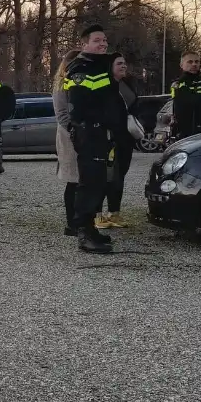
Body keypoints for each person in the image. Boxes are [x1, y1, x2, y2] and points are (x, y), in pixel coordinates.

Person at [63, 24, 124, 253]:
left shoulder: (100, 67)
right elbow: (78, 108)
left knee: (99, 183)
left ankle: (91, 229)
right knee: (89, 184)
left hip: (102, 133)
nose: (103, 44)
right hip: (90, 133)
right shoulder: (80, 69)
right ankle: (84, 234)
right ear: (85, 44)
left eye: (104, 40)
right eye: (97, 40)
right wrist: (96, 126)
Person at [97, 54, 137, 230]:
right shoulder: (104, 85)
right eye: (119, 63)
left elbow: (135, 105)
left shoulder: (127, 84)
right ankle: (97, 214)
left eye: (124, 63)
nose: (123, 66)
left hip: (125, 139)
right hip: (109, 139)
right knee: (106, 178)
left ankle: (114, 213)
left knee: (119, 177)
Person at [53, 50, 84, 237]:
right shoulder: (61, 84)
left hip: (85, 133)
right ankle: (71, 222)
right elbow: (61, 114)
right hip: (69, 136)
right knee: (73, 179)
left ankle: (82, 219)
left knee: (83, 180)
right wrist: (75, 131)